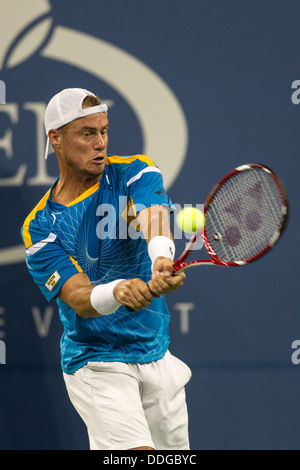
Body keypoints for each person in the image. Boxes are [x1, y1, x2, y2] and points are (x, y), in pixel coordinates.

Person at [21, 88, 191, 451]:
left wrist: (161, 256)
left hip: (156, 354)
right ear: (56, 138)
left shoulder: (134, 172)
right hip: (97, 362)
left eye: (104, 131)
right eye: (87, 134)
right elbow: (78, 297)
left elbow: (154, 219)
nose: (100, 143)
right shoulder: (40, 226)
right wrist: (117, 292)